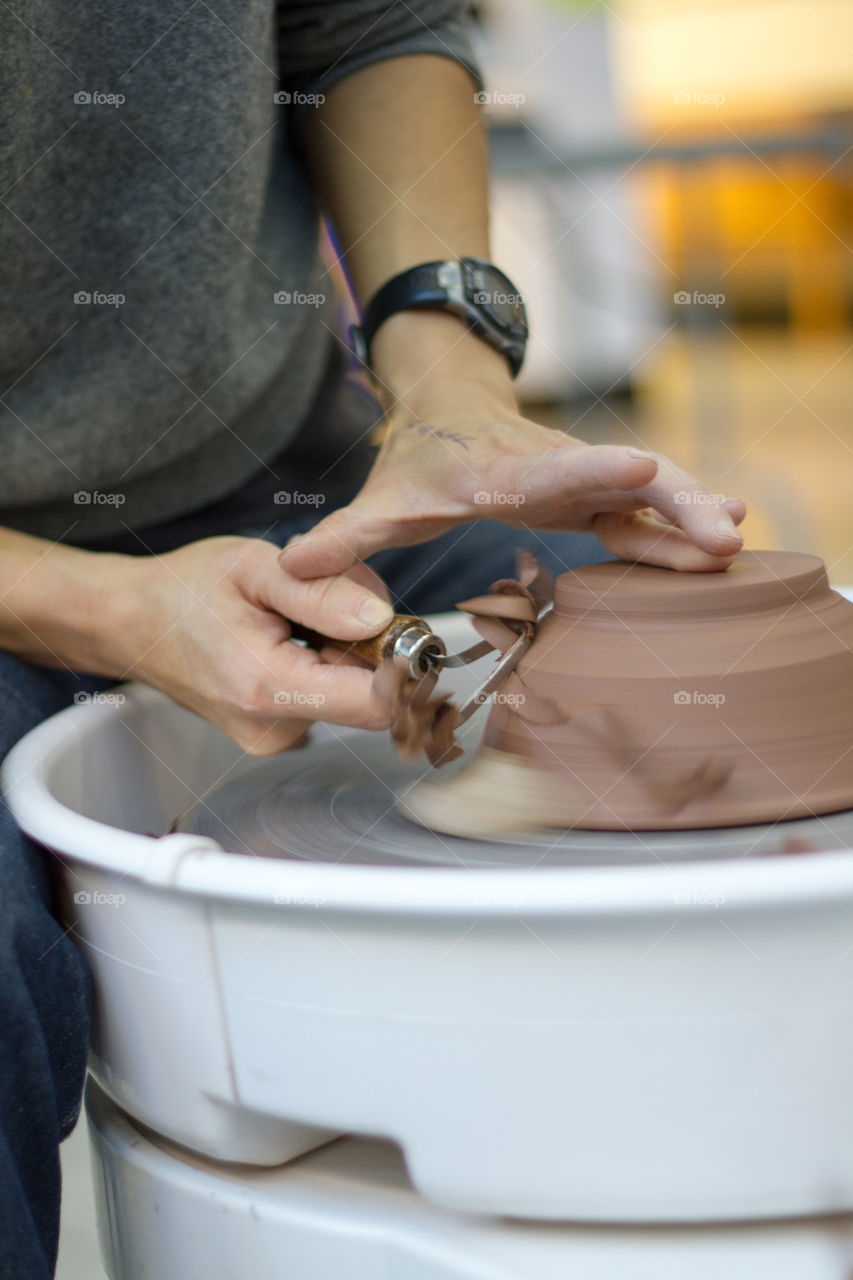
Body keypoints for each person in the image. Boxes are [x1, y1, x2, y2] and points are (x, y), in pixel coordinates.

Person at [0, 2, 745, 1273]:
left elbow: (373, 26)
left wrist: (452, 395)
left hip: (294, 478)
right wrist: (108, 606)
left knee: (701, 692)